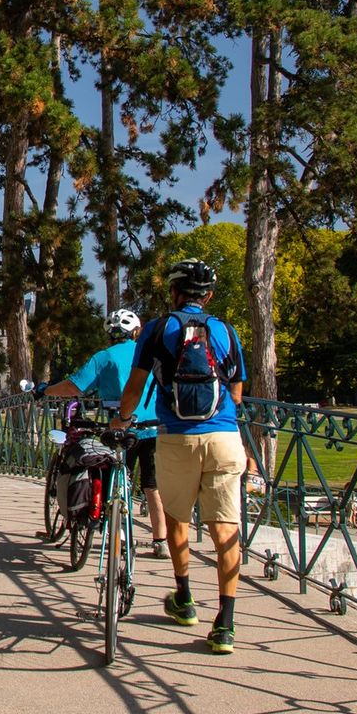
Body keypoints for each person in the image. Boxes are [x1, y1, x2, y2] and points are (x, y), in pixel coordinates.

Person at [107, 258, 251, 655]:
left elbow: (135, 387)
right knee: (226, 527)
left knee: (177, 519)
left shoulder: (157, 329)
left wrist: (121, 420)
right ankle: (226, 622)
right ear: (208, 296)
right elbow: (237, 392)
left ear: (173, 292)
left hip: (175, 436)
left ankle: (184, 599)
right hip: (223, 435)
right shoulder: (225, 330)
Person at [44, 308, 166, 555]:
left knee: (116, 482)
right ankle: (160, 540)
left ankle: (119, 536)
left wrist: (45, 390)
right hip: (153, 426)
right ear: (136, 332)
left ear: (110, 334)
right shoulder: (150, 354)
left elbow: (74, 386)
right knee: (152, 486)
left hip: (120, 428)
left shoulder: (104, 357)